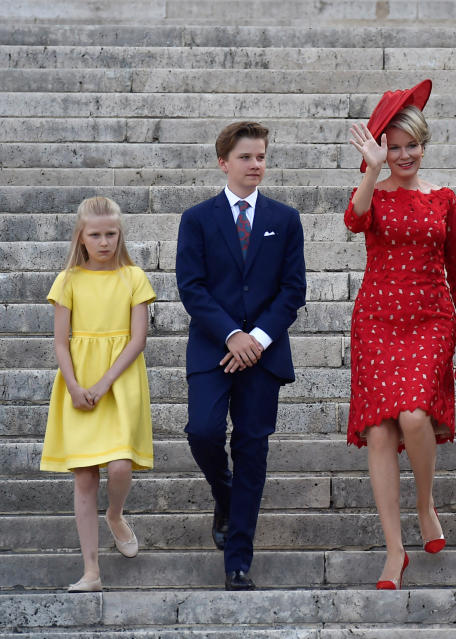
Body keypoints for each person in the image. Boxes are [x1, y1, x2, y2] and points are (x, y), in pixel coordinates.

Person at [345, 79, 456, 590]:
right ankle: (394, 550)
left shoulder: (444, 199)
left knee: (414, 415)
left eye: (411, 146)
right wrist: (372, 170)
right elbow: (353, 221)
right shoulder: (372, 193)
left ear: (425, 145)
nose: (404, 155)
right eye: (393, 147)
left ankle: (424, 505)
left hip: (429, 319)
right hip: (378, 319)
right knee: (380, 431)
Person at [176, 121, 306, 591]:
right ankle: (223, 493)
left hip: (264, 356)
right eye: (247, 157)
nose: (257, 165)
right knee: (203, 431)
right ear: (224, 162)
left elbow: (293, 291)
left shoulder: (285, 219)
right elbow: (191, 286)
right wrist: (232, 334)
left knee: (252, 449)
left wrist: (258, 339)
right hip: (214, 349)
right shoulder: (197, 218)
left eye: (262, 156)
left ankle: (238, 559)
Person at [41, 196, 156, 592]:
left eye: (111, 233)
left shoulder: (134, 277)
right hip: (79, 383)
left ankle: (116, 514)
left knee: (121, 466)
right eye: (96, 234)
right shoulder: (68, 280)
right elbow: (60, 341)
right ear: (82, 236)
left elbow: (138, 339)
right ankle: (91, 571)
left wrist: (105, 382)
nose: (104, 241)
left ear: (119, 233)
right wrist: (74, 386)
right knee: (85, 477)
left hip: (119, 382)